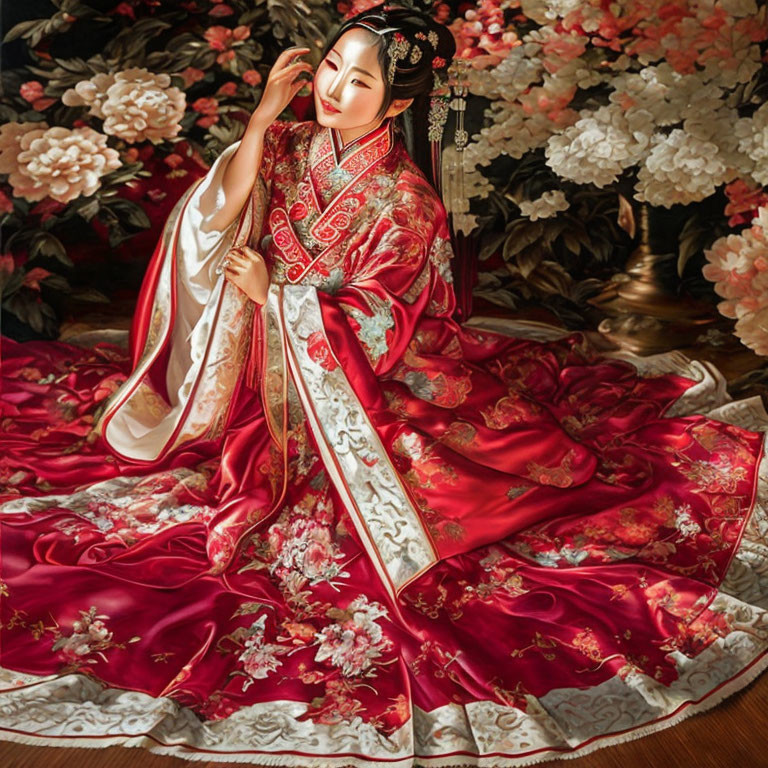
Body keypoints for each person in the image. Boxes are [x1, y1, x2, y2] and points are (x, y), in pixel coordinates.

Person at [1, 5, 767, 765]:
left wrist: (277, 295)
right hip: (282, 372)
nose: (332, 88)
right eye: (329, 67)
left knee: (366, 519)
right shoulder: (291, 143)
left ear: (397, 103)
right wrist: (266, 115)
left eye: (358, 80)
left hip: (384, 380)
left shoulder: (406, 202)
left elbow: (378, 322)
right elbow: (214, 215)